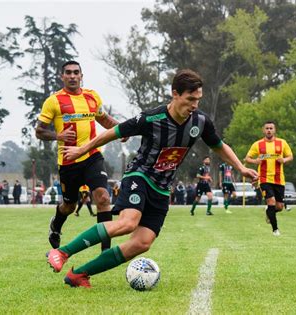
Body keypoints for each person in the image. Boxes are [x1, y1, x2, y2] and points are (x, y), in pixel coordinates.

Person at [46, 69, 258, 288]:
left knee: (142, 243)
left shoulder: (200, 122)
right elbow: (113, 132)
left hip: (162, 187)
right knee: (128, 223)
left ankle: (79, 275)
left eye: (198, 100)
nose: (194, 105)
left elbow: (218, 146)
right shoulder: (151, 118)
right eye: (190, 99)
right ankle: (62, 252)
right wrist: (82, 150)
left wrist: (241, 167)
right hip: (140, 176)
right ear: (175, 93)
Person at [35, 60, 121, 251]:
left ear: (81, 76)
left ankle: (105, 250)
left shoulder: (92, 97)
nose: (72, 76)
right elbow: (39, 131)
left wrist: (122, 130)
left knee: (103, 198)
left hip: (92, 155)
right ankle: (56, 225)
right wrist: (58, 135)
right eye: (68, 73)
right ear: (62, 76)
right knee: (69, 206)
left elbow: (104, 119)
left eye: (76, 72)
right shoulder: (54, 101)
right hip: (68, 161)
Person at [245, 121, 293, 236]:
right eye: (267, 128)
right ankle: (275, 230)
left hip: (279, 179)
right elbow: (247, 158)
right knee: (271, 201)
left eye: (271, 128)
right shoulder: (258, 144)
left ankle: (268, 212)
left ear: (274, 130)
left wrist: (284, 160)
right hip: (264, 179)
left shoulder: (282, 143)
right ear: (263, 130)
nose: (269, 130)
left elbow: (290, 156)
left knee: (279, 206)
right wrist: (255, 161)